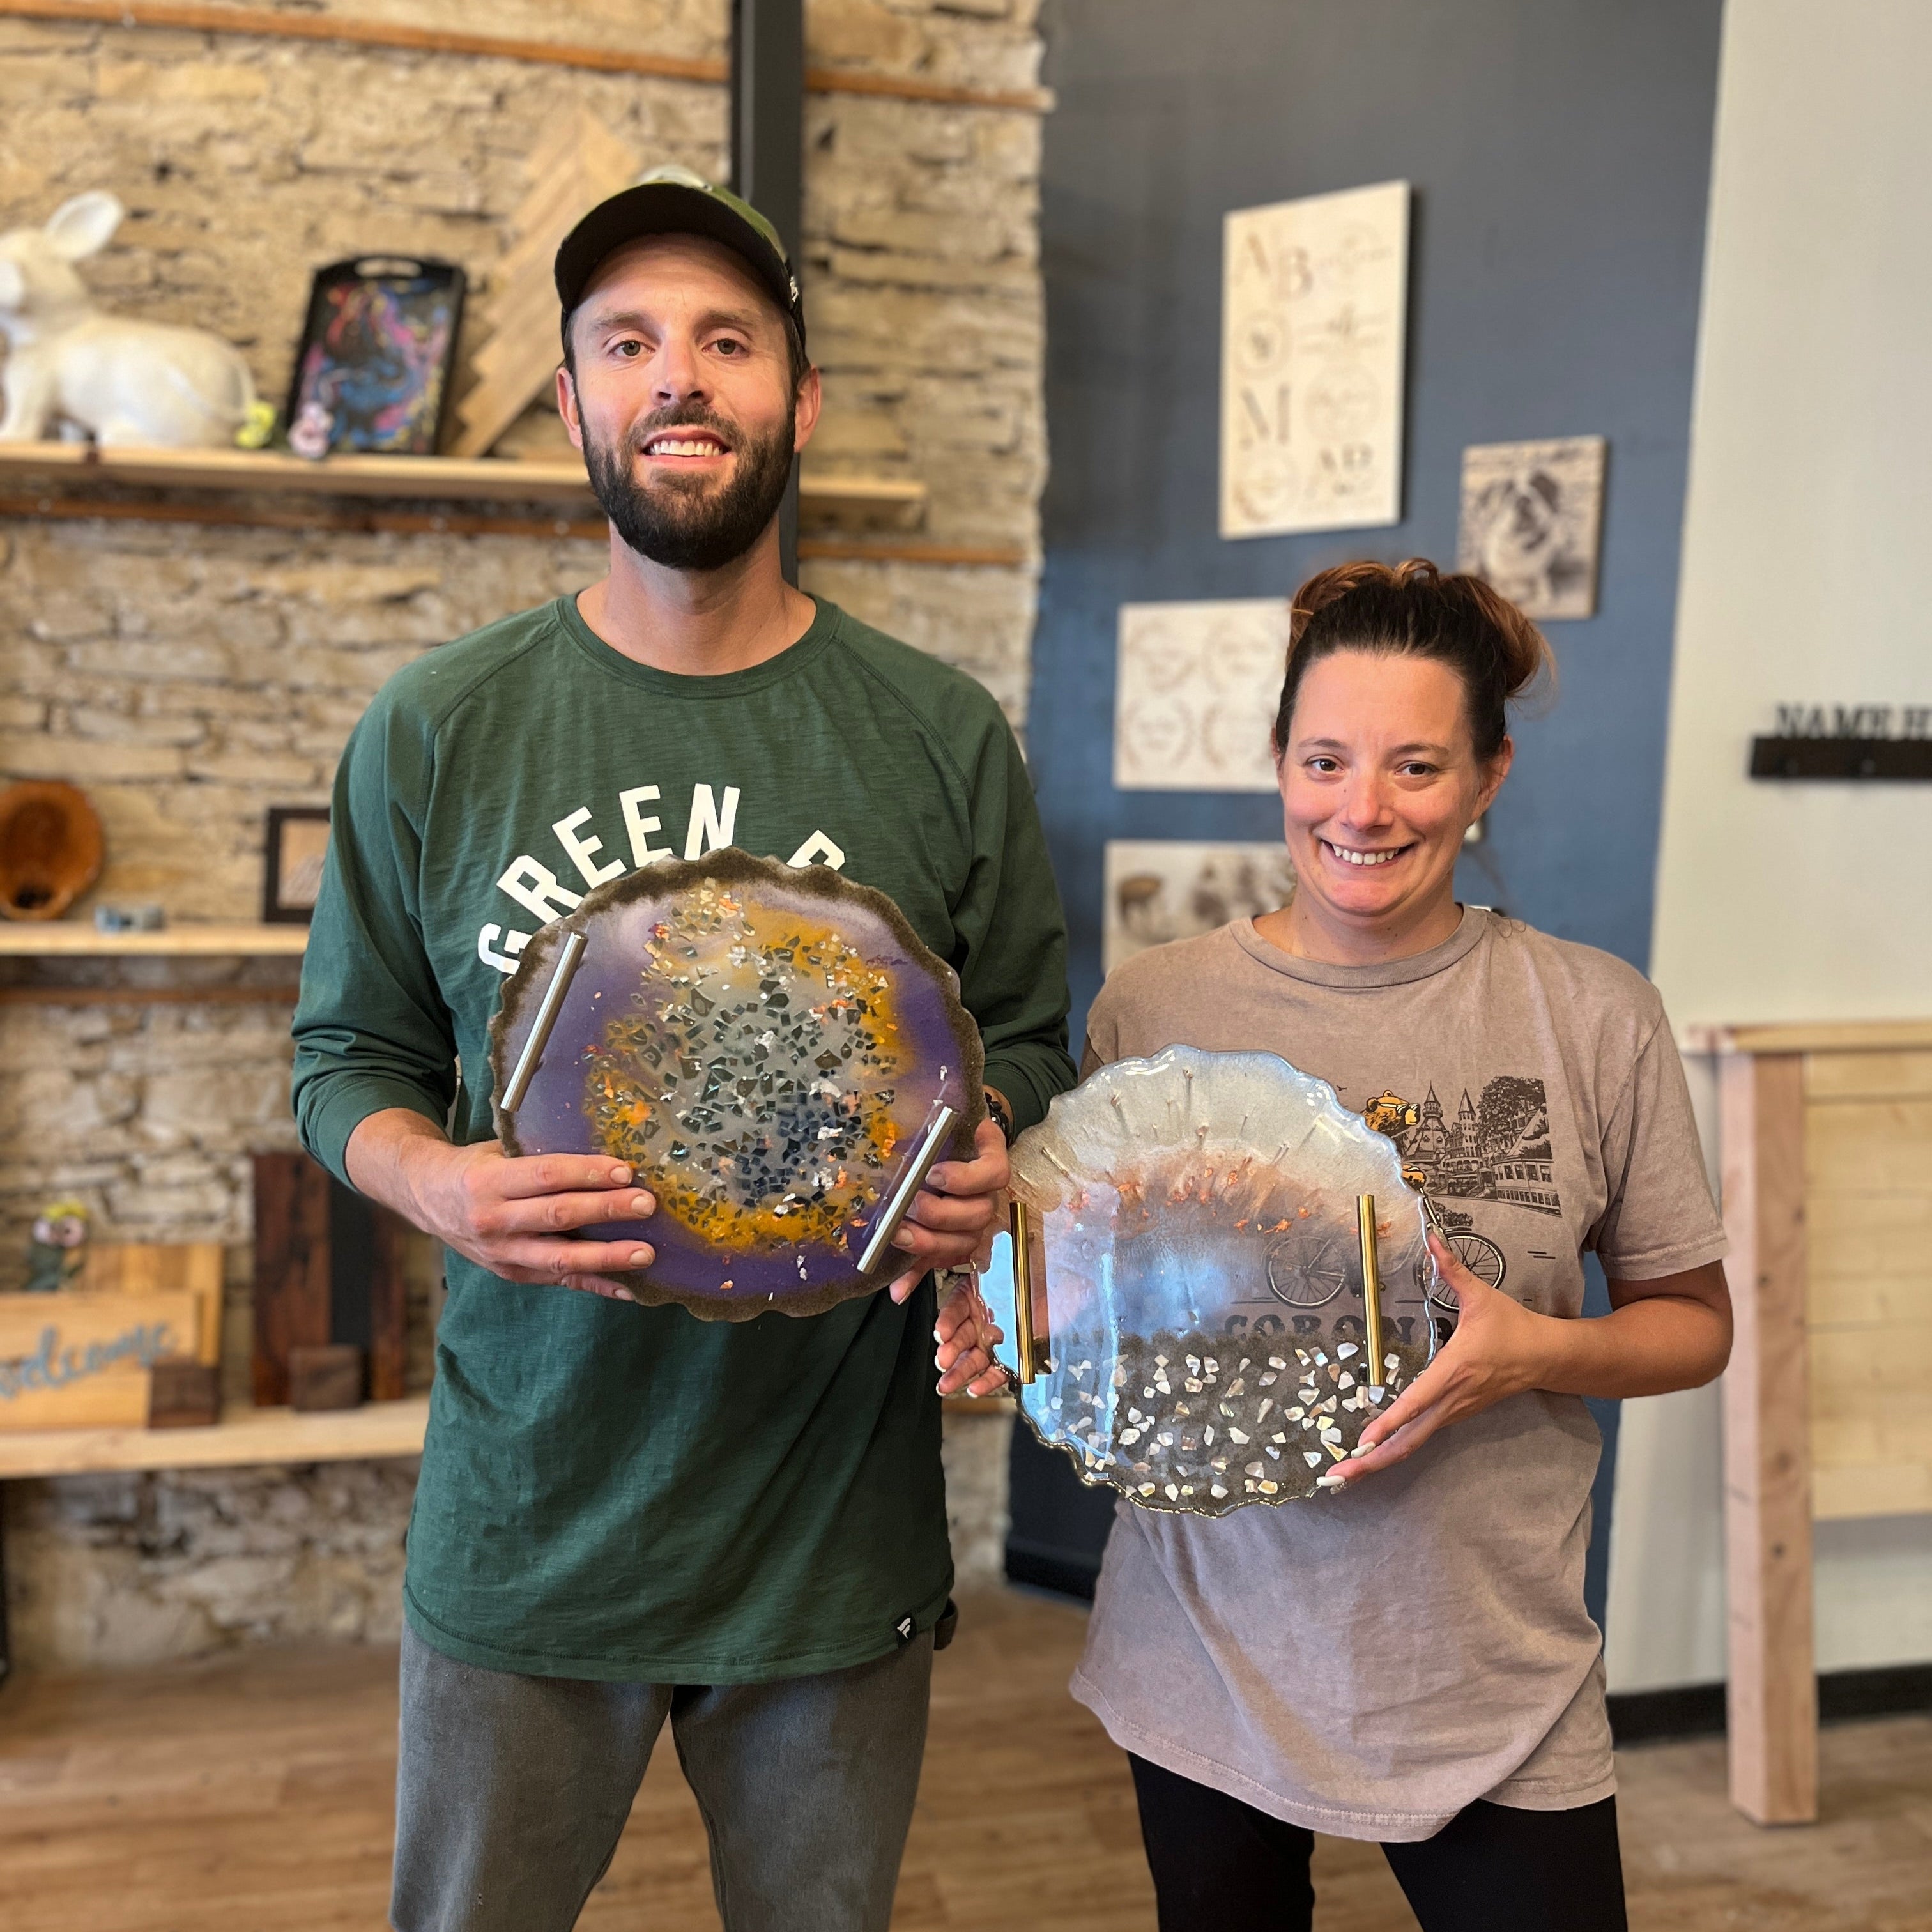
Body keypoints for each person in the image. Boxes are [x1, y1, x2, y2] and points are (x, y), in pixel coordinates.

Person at [289, 167, 1068, 1932]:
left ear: (797, 394)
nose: (681, 377)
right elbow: (346, 1051)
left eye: (727, 339)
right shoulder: (439, 728)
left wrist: (992, 1148)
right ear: (573, 403)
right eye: (629, 341)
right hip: (532, 1512)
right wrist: (444, 1185)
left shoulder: (940, 736)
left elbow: (1025, 1028)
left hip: (831, 1534)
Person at [1068, 560, 1732, 1932]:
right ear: (1279, 761)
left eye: (1416, 767)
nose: (1360, 809)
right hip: (1205, 1664)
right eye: (1325, 760)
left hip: (1492, 1675)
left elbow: (1694, 1321)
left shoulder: (1594, 1016)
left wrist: (1529, 1352)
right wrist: (1007, 1323)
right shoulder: (1152, 1006)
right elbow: (1093, 1305)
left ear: (1489, 775)